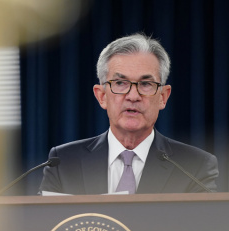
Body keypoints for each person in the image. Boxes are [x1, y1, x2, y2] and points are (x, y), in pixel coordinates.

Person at [39, 33, 218, 195]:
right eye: (120, 83)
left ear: (163, 97)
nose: (133, 96)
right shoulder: (63, 162)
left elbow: (204, 227)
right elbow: (44, 227)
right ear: (101, 96)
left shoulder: (195, 167)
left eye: (146, 84)